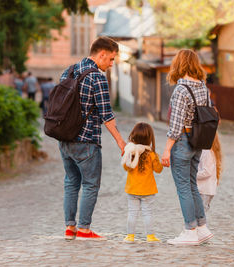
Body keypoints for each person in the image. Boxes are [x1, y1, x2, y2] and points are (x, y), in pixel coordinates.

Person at [59, 37, 126, 241]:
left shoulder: (69, 71)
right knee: (90, 184)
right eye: (111, 59)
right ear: (101, 54)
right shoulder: (97, 77)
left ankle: (70, 229)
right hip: (87, 141)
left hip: (64, 139)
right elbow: (106, 115)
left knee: (71, 182)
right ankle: (85, 230)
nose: (111, 64)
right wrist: (121, 142)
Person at [161, 49, 214, 245]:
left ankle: (190, 231)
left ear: (179, 64)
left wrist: (167, 149)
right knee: (192, 185)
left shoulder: (181, 90)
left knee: (183, 187)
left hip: (183, 141)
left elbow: (175, 126)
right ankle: (202, 227)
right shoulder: (203, 88)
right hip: (198, 141)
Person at [121, 122, 163, 243]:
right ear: (150, 138)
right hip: (148, 191)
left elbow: (125, 167)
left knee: (132, 213)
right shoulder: (151, 155)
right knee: (148, 213)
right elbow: (158, 170)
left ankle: (130, 236)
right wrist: (158, 159)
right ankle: (150, 236)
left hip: (132, 189)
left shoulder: (131, 154)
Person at [196, 133, 222, 213]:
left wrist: (192, 174)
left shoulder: (207, 152)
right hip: (206, 189)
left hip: (204, 190)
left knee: (199, 216)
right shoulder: (209, 151)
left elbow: (207, 172)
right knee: (199, 216)